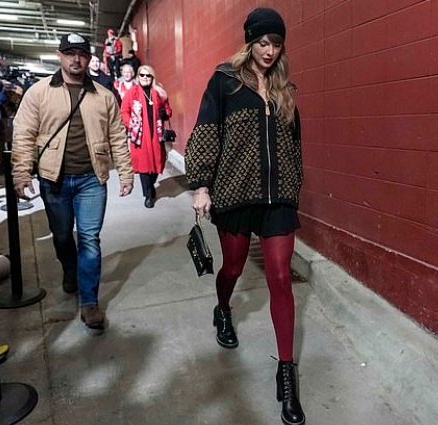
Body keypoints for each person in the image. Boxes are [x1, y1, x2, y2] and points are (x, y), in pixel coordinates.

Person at [185, 8, 305, 425]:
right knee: (233, 268)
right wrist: (201, 186)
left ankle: (286, 373)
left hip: (278, 198)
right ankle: (223, 308)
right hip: (235, 193)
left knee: (281, 277)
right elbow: (205, 133)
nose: (270, 51)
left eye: (277, 44)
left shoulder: (284, 88)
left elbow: (295, 143)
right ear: (250, 42)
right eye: (263, 43)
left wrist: (294, 181)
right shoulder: (225, 81)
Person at [12, 33, 133, 333]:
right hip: (54, 179)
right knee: (62, 235)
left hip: (91, 179)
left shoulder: (104, 96)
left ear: (89, 58)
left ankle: (89, 302)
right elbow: (23, 133)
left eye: (81, 54)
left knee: (90, 239)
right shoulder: (39, 92)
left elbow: (118, 136)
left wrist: (126, 172)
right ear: (60, 56)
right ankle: (69, 268)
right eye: (70, 53)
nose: (75, 59)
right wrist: (21, 171)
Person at [121, 65, 172, 208]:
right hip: (140, 136)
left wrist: (165, 113)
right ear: (138, 77)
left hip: (156, 134)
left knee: (157, 162)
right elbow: (124, 111)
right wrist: (131, 124)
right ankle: (148, 195)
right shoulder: (132, 92)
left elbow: (168, 109)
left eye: (148, 75)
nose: (145, 77)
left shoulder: (159, 92)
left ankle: (151, 185)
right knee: (143, 167)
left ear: (152, 77)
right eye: (142, 75)